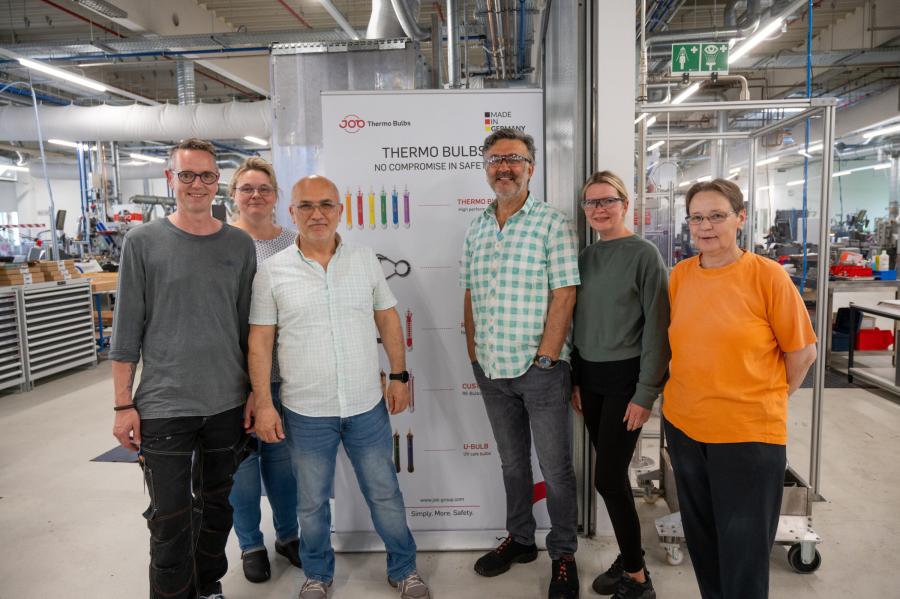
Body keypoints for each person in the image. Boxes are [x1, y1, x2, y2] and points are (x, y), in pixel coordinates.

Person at [247, 175, 430, 599]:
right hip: (305, 410)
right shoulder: (272, 272)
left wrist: (399, 376)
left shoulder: (364, 260)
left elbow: (387, 318)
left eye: (326, 204)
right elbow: (260, 341)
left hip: (366, 405)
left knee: (384, 494)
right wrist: (264, 403)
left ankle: (404, 569)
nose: (317, 214)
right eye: (306, 206)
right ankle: (317, 574)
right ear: (291, 212)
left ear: (340, 210)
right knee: (311, 503)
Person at [110, 138, 257, 599]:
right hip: (164, 405)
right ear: (169, 179)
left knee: (216, 509)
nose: (197, 184)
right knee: (169, 518)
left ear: (218, 182)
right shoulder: (142, 242)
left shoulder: (239, 244)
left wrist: (256, 393)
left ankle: (208, 585)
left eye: (207, 175)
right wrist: (122, 405)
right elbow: (126, 330)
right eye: (187, 175)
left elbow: (247, 329)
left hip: (226, 403)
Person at [664, 179, 817, 599]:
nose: (705, 226)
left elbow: (803, 354)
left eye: (717, 216)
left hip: (746, 437)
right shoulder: (680, 275)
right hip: (685, 428)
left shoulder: (767, 276)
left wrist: (767, 400)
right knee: (704, 544)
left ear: (740, 218)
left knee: (744, 554)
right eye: (697, 217)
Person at [460, 128, 581, 599]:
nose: (503, 167)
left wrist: (547, 356)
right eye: (495, 159)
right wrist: (474, 353)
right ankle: (521, 539)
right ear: (486, 168)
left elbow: (565, 293)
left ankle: (564, 553)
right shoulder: (477, 227)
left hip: (540, 370)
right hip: (491, 369)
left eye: (513, 158)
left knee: (555, 469)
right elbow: (470, 293)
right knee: (512, 462)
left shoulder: (552, 223)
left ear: (531, 167)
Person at [571, 171, 669, 599]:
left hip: (627, 382)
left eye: (608, 200)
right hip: (590, 380)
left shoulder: (644, 255)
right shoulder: (585, 257)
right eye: (592, 202)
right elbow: (578, 323)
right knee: (611, 477)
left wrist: (646, 393)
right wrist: (576, 379)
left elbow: (658, 330)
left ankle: (638, 579)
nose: (600, 209)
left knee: (608, 479)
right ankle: (632, 558)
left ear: (625, 204)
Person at [226, 157, 301, 582]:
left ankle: (288, 536)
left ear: (275, 195)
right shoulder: (220, 241)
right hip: (233, 377)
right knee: (243, 472)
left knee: (283, 464)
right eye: (246, 188)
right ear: (233, 195)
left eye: (264, 188)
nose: (255, 195)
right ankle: (251, 544)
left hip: (285, 373)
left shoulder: (294, 242)